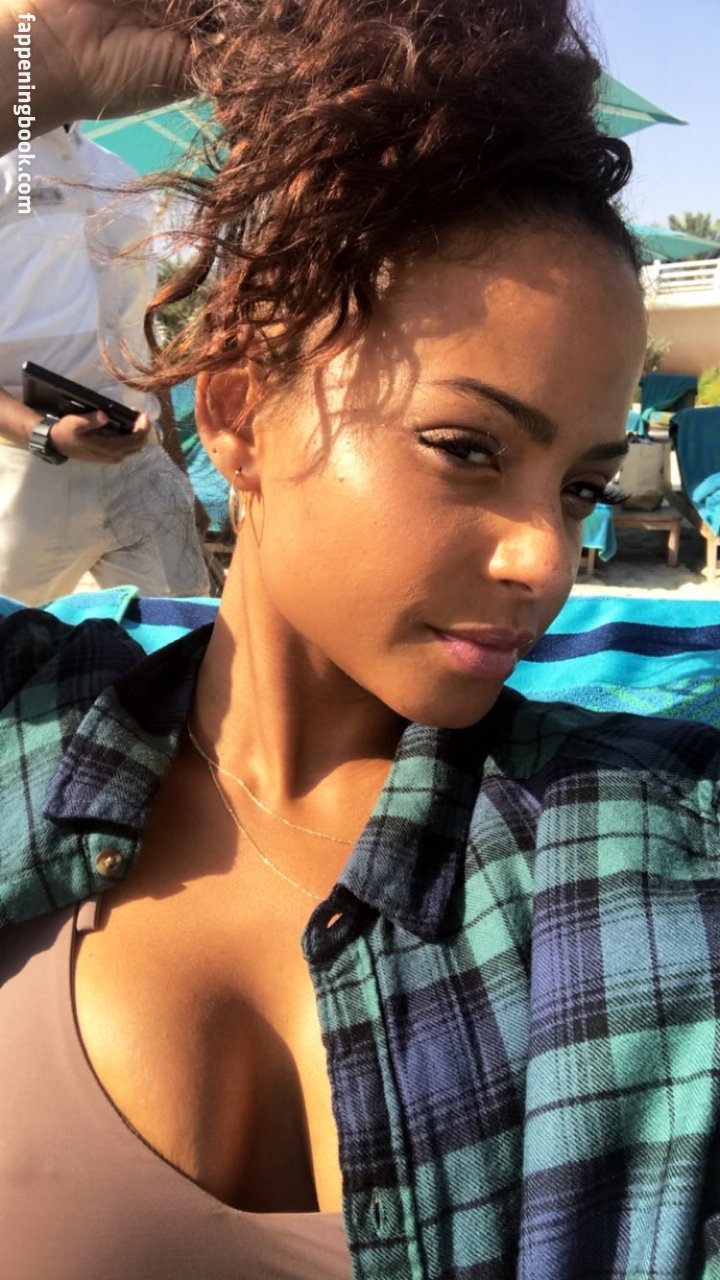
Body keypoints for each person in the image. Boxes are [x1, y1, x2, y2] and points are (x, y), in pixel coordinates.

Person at [1, 1, 719, 1278]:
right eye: (466, 448)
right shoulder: (25, 730)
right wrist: (37, 65)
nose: (547, 559)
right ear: (238, 413)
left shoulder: (639, 851)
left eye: (581, 486)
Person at [0, 117, 210, 602]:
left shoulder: (119, 174)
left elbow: (138, 331)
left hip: (139, 459)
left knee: (182, 627)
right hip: (21, 466)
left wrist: (173, 466)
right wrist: (43, 433)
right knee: (12, 638)